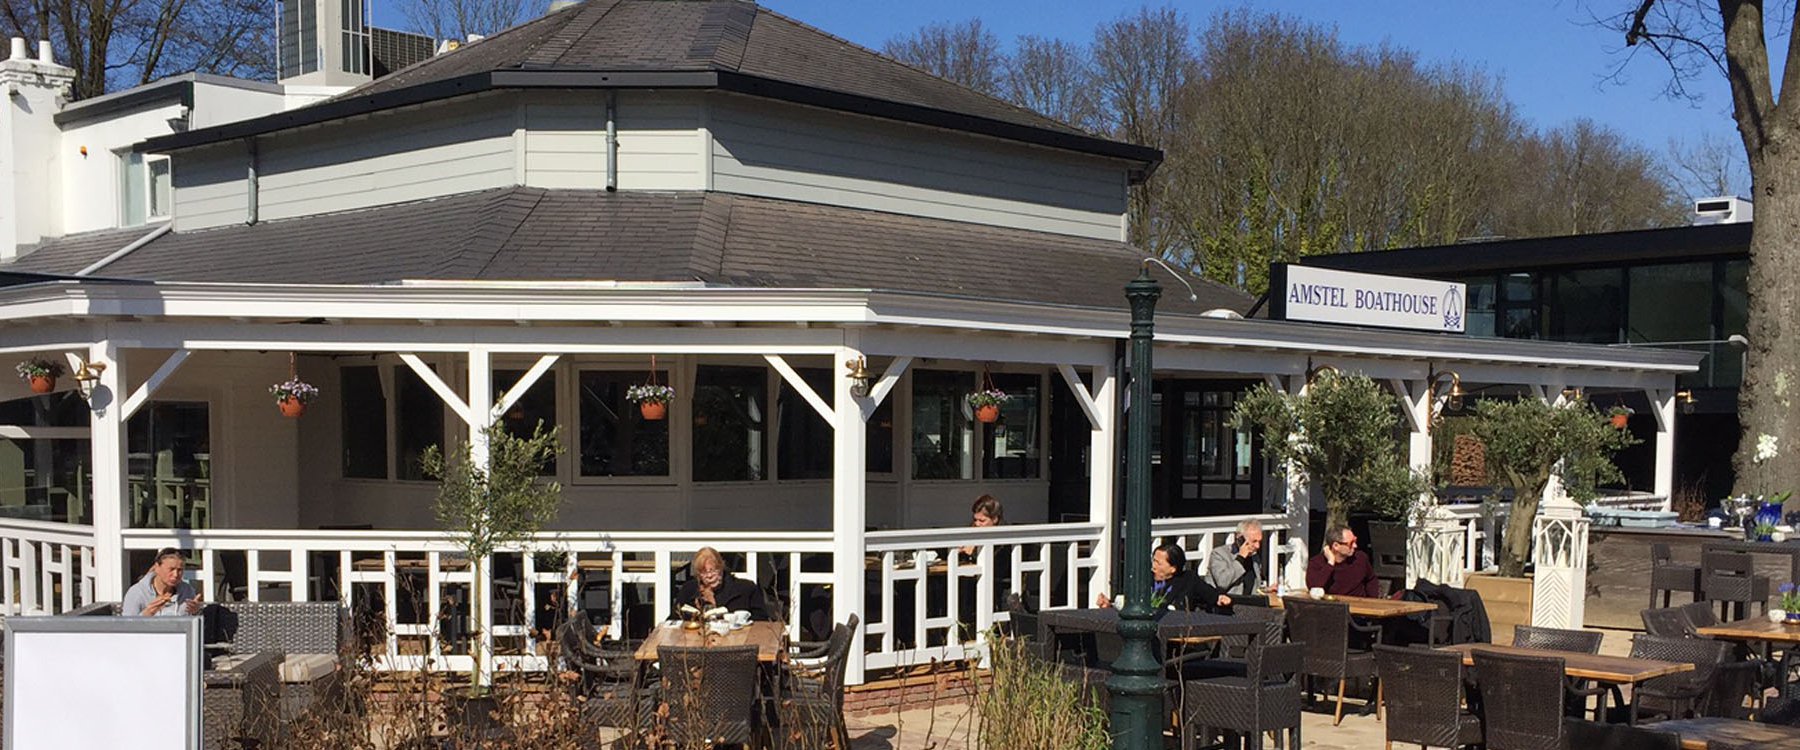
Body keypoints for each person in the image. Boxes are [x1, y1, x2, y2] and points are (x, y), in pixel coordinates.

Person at [1096, 543, 1232, 613]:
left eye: (1158, 563)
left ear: (1173, 568)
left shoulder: (1188, 579)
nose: (1153, 565)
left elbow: (1212, 595)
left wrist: (1221, 599)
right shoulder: (1144, 578)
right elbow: (1127, 601)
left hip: (1174, 634)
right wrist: (1109, 605)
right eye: (1153, 560)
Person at [674, 547, 770, 621]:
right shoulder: (689, 590)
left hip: (738, 642)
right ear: (698, 574)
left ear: (721, 567)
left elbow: (762, 621)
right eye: (704, 572)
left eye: (713, 570)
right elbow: (673, 619)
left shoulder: (746, 588)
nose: (710, 576)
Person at [123, 548, 204, 616]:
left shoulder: (187, 591)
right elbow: (126, 627)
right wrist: (146, 614)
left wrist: (196, 612)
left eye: (180, 570)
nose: (175, 575)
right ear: (157, 567)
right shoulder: (137, 592)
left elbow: (195, 624)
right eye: (171, 569)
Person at [1306, 525, 1380, 598]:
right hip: (1333, 606)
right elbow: (1314, 587)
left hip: (1359, 605)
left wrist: (1373, 600)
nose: (1355, 546)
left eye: (1355, 541)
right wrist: (1330, 563)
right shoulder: (1317, 563)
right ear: (1336, 546)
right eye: (1351, 543)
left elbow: (1371, 579)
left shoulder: (1360, 558)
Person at [1204, 519, 1264, 597]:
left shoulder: (1254, 557)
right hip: (1225, 604)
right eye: (1254, 541)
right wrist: (1240, 558)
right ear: (1240, 539)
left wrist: (1265, 590)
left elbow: (1251, 587)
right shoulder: (1219, 554)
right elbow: (1222, 583)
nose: (1257, 546)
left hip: (1248, 604)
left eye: (1259, 541)